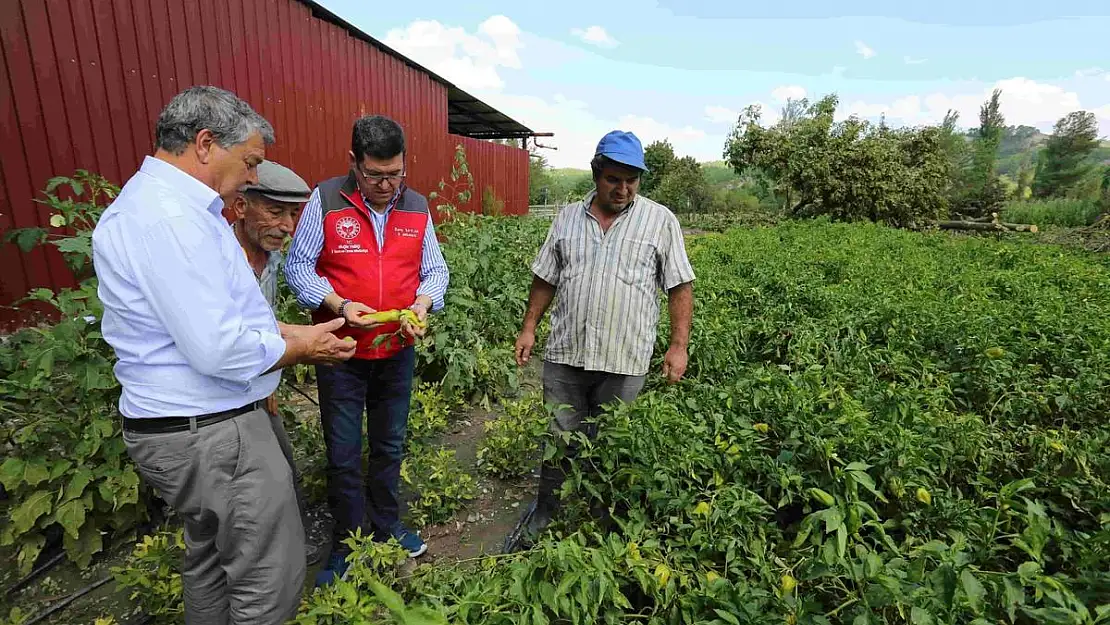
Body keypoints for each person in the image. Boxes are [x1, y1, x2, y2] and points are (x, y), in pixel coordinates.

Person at [91, 85, 357, 625]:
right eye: (251, 161)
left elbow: (228, 324)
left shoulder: (166, 209)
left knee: (211, 559)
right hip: (213, 432)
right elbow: (220, 348)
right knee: (267, 578)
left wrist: (295, 333)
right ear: (207, 143)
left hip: (190, 430)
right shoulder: (172, 220)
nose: (253, 176)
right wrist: (303, 344)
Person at [508, 130, 696, 550]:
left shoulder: (660, 221)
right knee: (559, 439)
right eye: (614, 179)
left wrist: (677, 346)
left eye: (632, 180)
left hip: (624, 358)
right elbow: (545, 278)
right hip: (566, 354)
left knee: (611, 445)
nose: (623, 189)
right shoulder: (566, 218)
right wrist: (529, 327)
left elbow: (679, 287)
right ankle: (546, 516)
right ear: (597, 175)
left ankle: (602, 528)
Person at [284, 114, 450, 586]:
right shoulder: (326, 200)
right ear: (354, 162)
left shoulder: (416, 206)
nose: (386, 184)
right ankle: (346, 540)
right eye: (375, 174)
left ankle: (386, 523)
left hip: (396, 350)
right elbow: (299, 268)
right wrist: (339, 303)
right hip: (339, 350)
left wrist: (421, 302)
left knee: (389, 444)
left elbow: (434, 271)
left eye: (395, 173)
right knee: (342, 451)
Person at [222, 159, 315, 559]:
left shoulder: (269, 254)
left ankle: (287, 549)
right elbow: (227, 343)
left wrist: (269, 378)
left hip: (258, 382)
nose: (288, 226)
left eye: (293, 213)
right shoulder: (219, 260)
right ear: (241, 206)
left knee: (283, 470)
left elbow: (263, 324)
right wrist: (300, 349)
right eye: (275, 212)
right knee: (250, 489)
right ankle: (264, 561)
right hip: (223, 400)